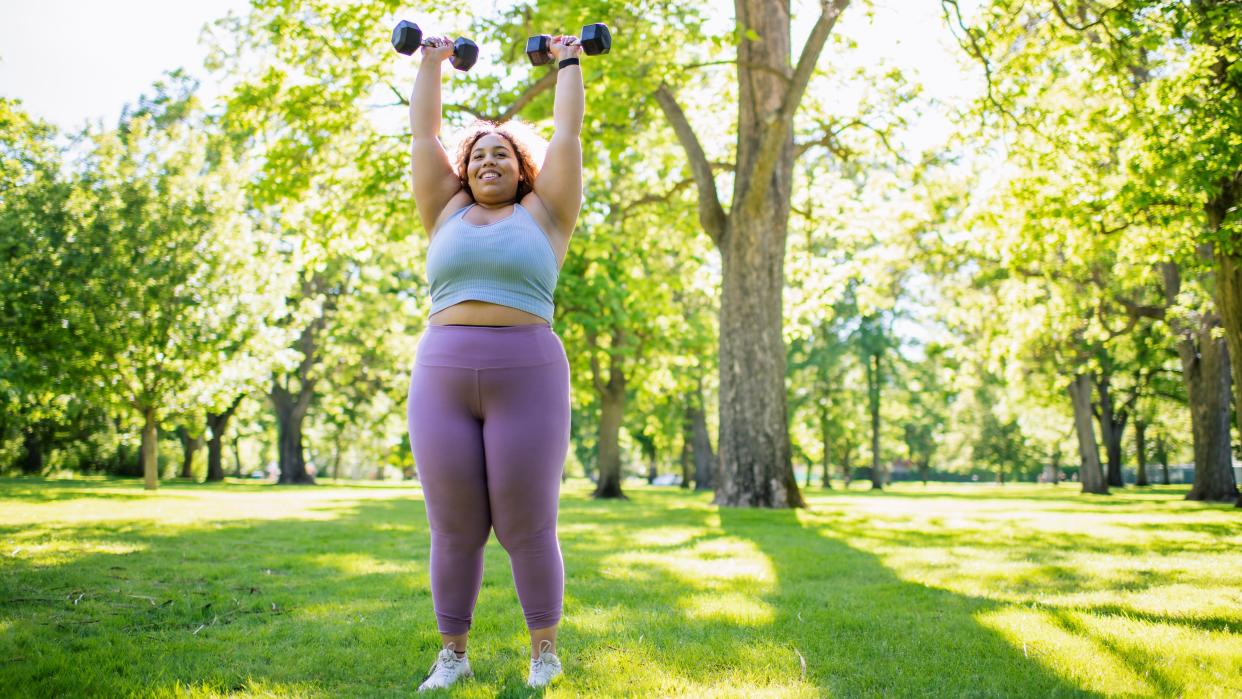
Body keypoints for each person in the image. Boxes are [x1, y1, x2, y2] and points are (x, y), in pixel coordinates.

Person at [404, 30, 585, 692]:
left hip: (528, 373)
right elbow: (424, 137)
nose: (488, 159)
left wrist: (568, 61)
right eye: (477, 152)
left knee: (526, 521)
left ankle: (544, 650)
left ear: (521, 168)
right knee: (454, 526)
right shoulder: (443, 209)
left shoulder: (546, 213)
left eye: (502, 152)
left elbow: (566, 138)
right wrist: (432, 60)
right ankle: (452, 654)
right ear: (464, 167)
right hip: (443, 376)